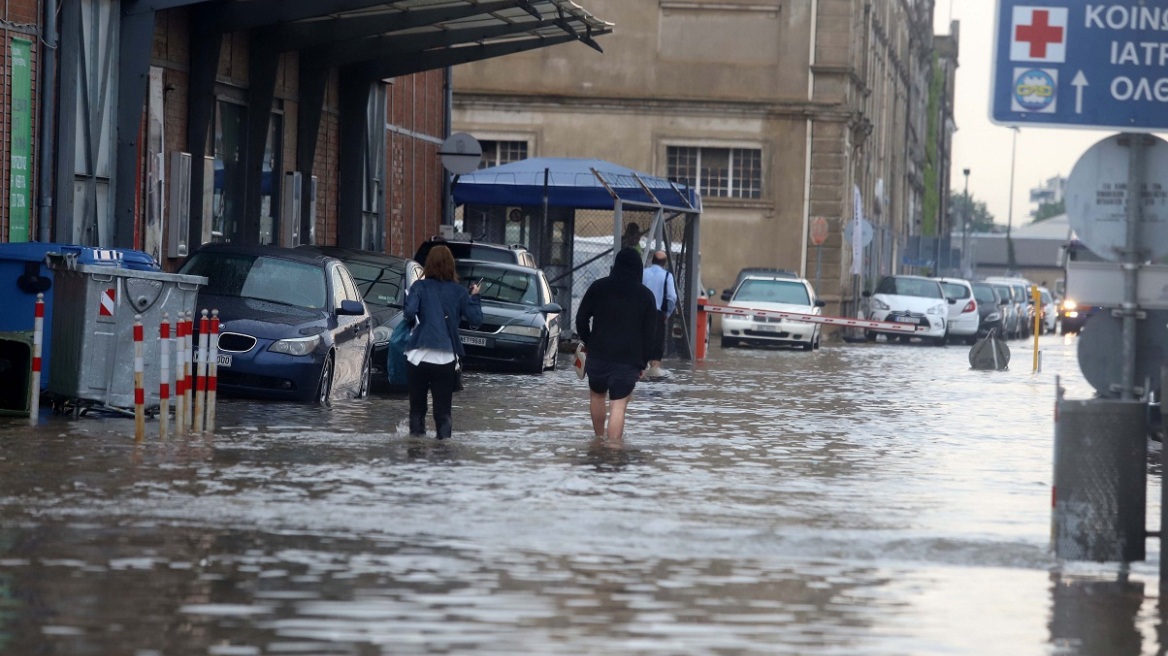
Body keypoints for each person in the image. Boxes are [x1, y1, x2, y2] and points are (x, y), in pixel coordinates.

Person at [575, 246, 658, 440]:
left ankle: (598, 441)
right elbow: (650, 334)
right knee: (618, 405)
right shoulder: (646, 296)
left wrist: (590, 342)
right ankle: (613, 450)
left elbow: (581, 319)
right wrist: (643, 362)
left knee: (597, 396)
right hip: (628, 360)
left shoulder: (598, 287)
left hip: (598, 355)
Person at [402, 245, 483, 439]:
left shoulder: (419, 287)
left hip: (417, 357)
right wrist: (475, 296)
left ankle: (415, 452)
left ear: (428, 264)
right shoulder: (460, 292)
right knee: (443, 413)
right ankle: (443, 455)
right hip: (445, 358)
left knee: (417, 410)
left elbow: (409, 313)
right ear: (451, 265)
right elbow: (476, 320)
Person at [641, 250, 677, 377]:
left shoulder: (643, 273)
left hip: (642, 313)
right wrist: (667, 313)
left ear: (652, 261)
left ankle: (641, 368)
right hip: (658, 314)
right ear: (664, 263)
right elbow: (672, 297)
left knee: (642, 340)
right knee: (657, 343)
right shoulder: (667, 276)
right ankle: (654, 369)